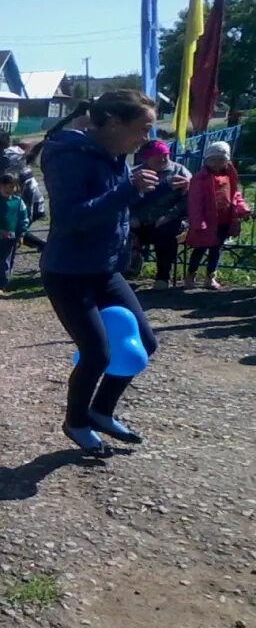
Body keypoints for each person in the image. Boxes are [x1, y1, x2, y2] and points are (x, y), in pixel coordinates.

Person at [36, 90, 160, 456]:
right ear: (113, 122)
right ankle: (75, 422)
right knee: (97, 354)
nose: (147, 138)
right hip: (69, 272)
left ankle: (101, 411)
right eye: (143, 128)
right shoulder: (68, 156)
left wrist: (162, 190)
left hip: (105, 269)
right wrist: (128, 190)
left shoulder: (115, 154)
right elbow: (73, 217)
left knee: (146, 344)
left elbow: (120, 210)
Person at [185, 141, 251, 290]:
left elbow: (235, 195)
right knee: (200, 249)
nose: (217, 163)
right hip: (206, 222)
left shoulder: (229, 177)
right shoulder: (200, 179)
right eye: (213, 159)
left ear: (227, 161)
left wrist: (242, 208)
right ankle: (190, 275)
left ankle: (210, 277)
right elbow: (195, 202)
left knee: (216, 249)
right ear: (206, 160)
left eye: (221, 160)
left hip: (223, 220)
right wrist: (198, 221)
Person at [127, 140, 191, 288]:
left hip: (169, 220)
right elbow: (127, 198)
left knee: (166, 235)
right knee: (124, 231)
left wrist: (168, 216)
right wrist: (133, 216)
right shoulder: (136, 173)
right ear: (146, 159)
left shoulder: (180, 172)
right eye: (157, 157)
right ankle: (129, 268)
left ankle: (162, 277)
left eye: (165, 156)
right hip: (140, 221)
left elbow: (186, 201)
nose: (163, 160)